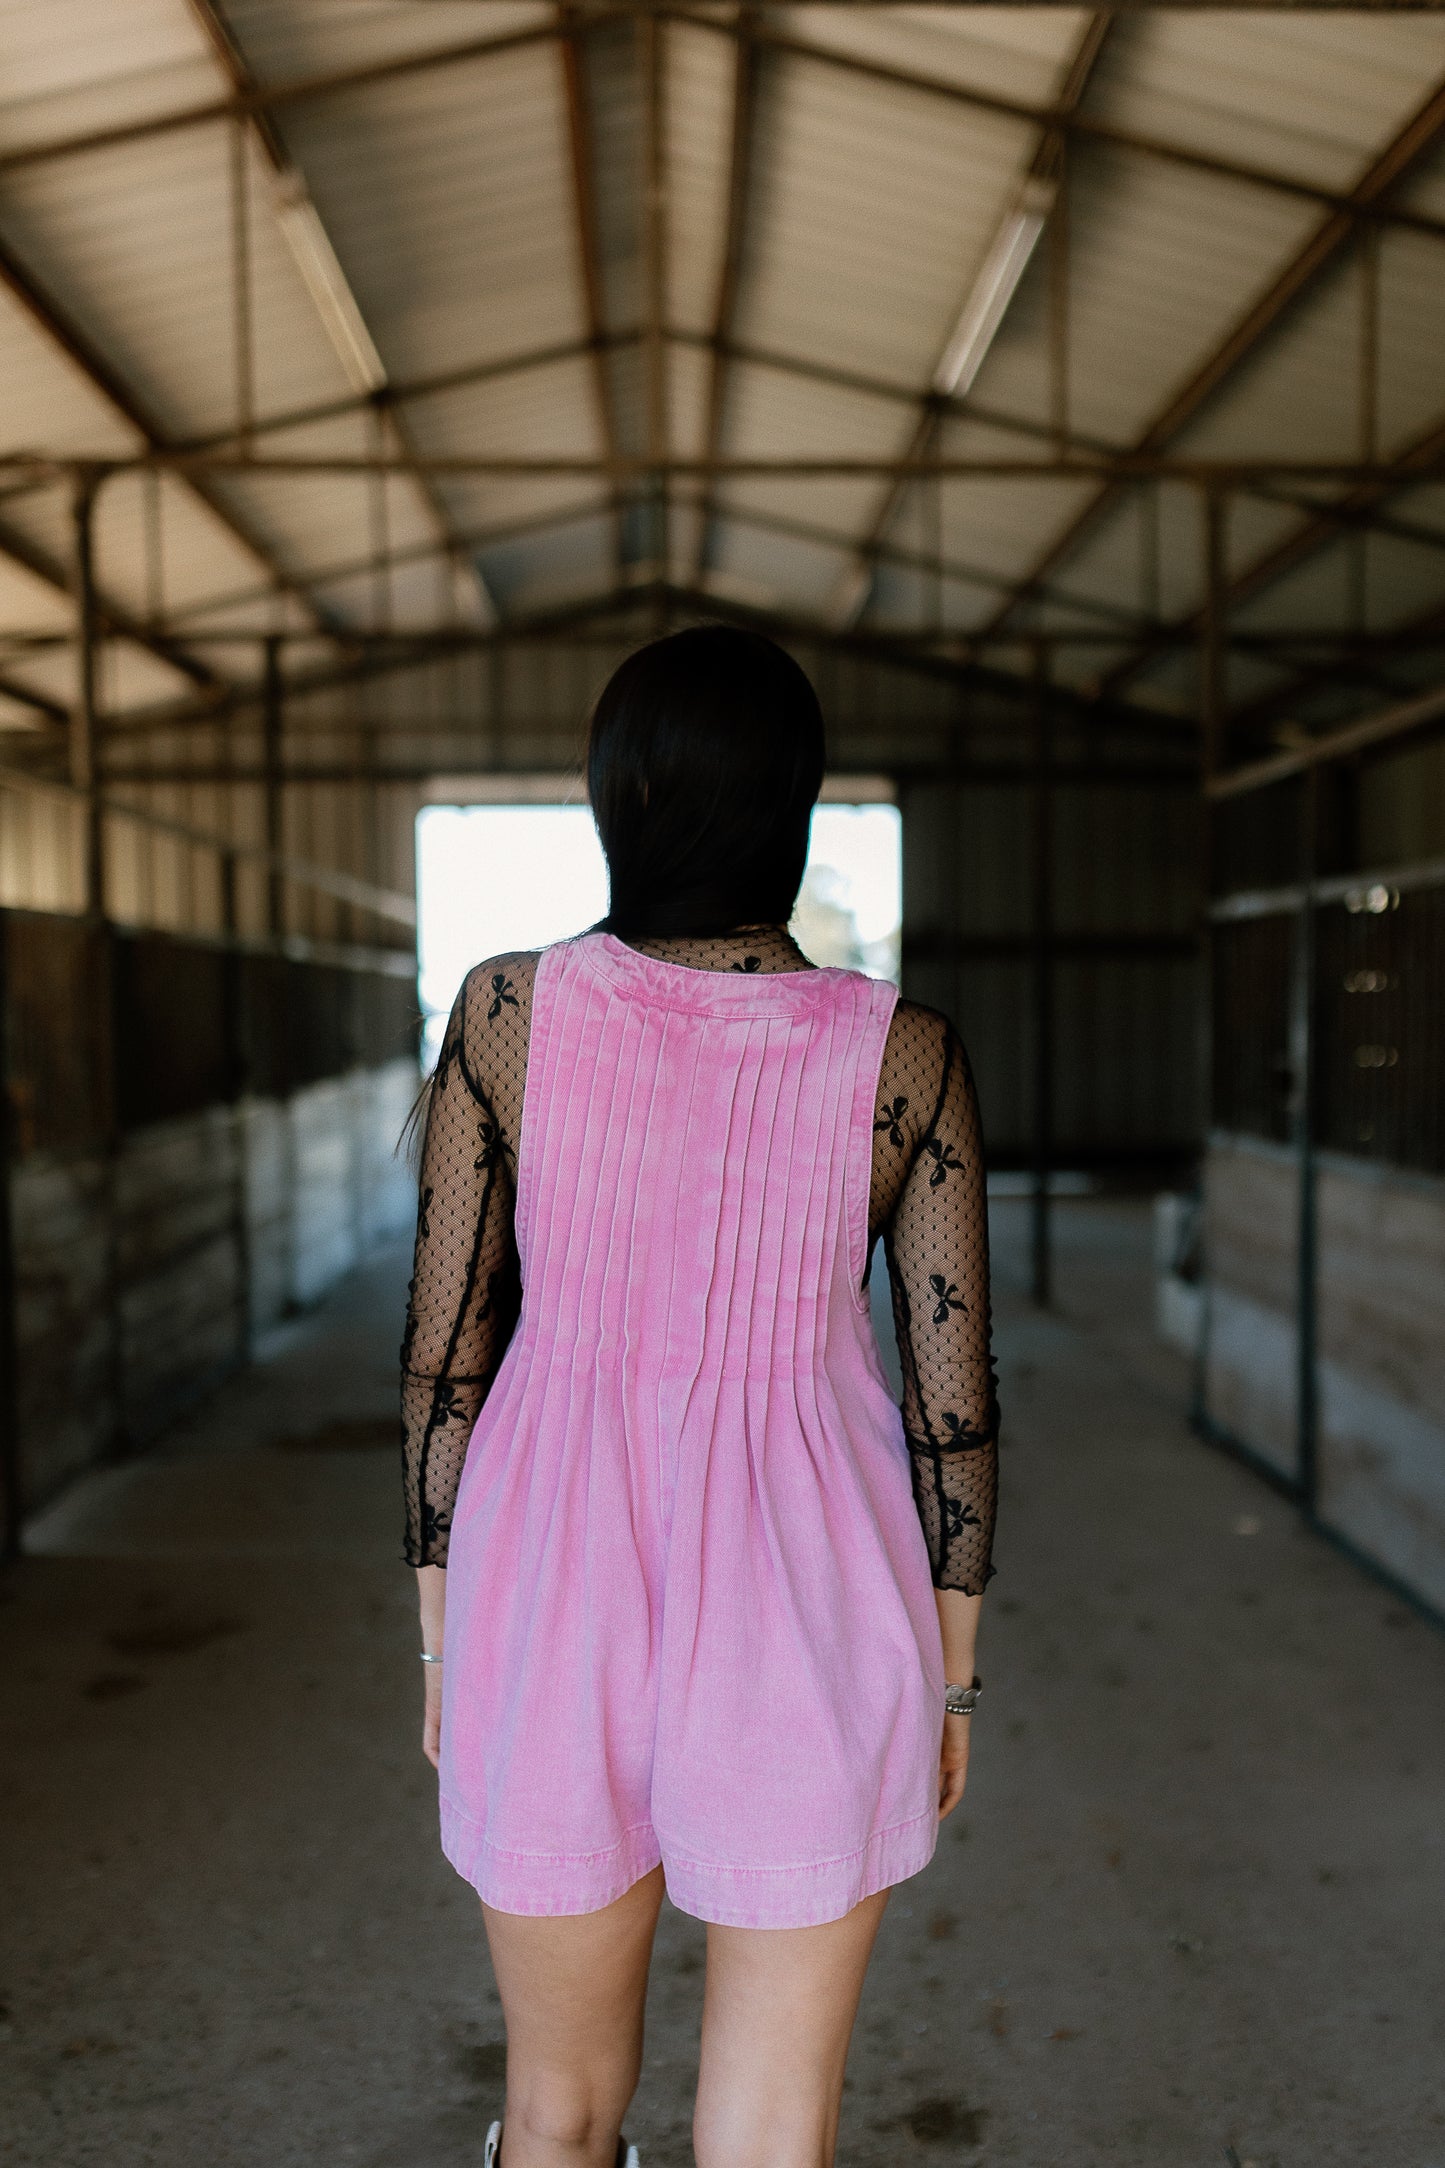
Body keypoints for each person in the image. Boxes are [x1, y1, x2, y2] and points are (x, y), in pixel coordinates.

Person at [400, 625, 1000, 2168]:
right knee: (769, 2130)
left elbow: (444, 1358)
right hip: (810, 1599)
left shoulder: (505, 1016)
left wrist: (440, 1636)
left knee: (554, 2110)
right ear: (792, 808)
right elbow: (953, 1411)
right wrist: (948, 1677)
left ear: (620, 799)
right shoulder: (902, 1057)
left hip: (547, 1592)